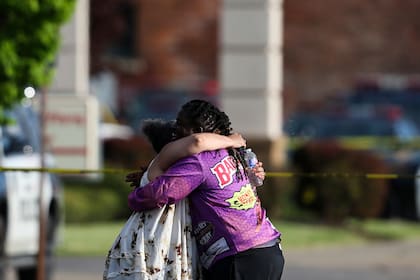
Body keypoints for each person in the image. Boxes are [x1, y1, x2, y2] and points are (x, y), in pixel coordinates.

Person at [128, 100, 284, 280]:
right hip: (268, 249)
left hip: (238, 257)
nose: (175, 130)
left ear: (197, 131)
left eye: (181, 125)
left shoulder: (199, 161)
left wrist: (136, 195)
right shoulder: (231, 152)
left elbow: (161, 193)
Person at [103, 118, 248, 280]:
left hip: (161, 252)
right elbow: (198, 141)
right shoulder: (163, 169)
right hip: (150, 250)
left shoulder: (181, 175)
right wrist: (231, 140)